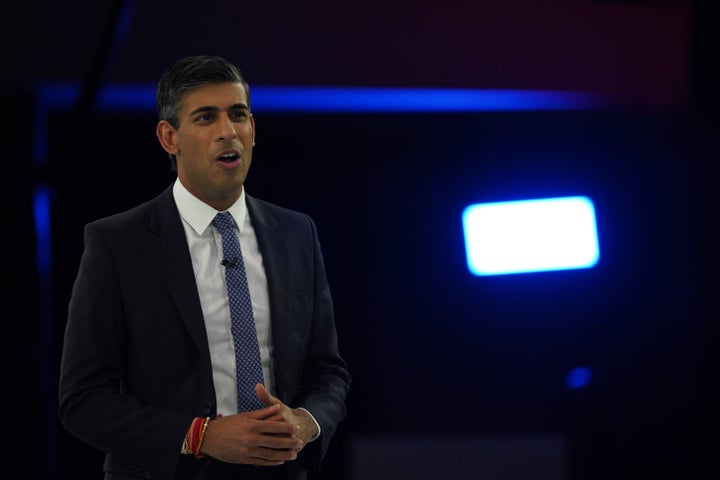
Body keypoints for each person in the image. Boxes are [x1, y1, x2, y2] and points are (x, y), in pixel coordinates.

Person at [58, 55, 351, 480]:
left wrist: (306, 422)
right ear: (169, 137)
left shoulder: (296, 233)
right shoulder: (117, 242)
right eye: (205, 117)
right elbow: (81, 399)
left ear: (253, 130)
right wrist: (201, 436)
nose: (227, 131)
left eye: (238, 115)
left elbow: (329, 371)